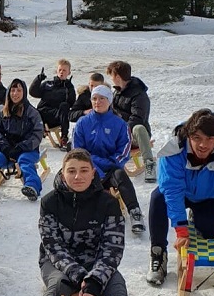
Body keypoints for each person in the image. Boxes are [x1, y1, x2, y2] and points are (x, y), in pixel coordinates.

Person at [20, 149, 158, 296]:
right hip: (57, 263)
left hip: (97, 262)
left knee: (115, 285)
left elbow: (112, 248)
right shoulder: (49, 202)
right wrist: (81, 277)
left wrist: (95, 281)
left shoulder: (108, 203)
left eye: (84, 170)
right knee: (57, 284)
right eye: (71, 171)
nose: (78, 176)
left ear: (93, 173)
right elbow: (53, 246)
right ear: (62, 174)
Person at [146, 109, 214, 286]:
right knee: (157, 198)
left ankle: (197, 217)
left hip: (209, 196)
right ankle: (158, 254)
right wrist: (181, 230)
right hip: (181, 194)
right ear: (188, 136)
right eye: (197, 138)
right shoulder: (173, 150)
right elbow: (172, 189)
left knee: (210, 233)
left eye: (210, 139)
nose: (203, 145)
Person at [72, 85, 146, 234]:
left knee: (121, 176)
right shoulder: (82, 123)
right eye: (94, 98)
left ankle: (135, 211)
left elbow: (124, 151)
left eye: (101, 98)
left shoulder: (119, 124)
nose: (97, 102)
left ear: (109, 101)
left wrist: (108, 164)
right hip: (88, 168)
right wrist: (92, 165)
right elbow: (77, 152)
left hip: (111, 166)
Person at [0, 78, 44, 201]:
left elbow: (38, 133)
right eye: (13, 90)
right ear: (8, 93)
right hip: (6, 148)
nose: (15, 94)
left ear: (24, 93)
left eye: (19, 90)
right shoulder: (2, 112)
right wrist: (3, 146)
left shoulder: (32, 112)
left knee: (24, 161)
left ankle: (32, 186)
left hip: (27, 149)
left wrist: (21, 147)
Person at [107, 61, 156, 183]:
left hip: (136, 136)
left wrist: (120, 132)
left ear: (117, 77)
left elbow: (137, 118)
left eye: (112, 76)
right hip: (119, 133)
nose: (111, 79)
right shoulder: (117, 92)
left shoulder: (139, 95)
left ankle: (149, 165)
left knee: (138, 128)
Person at [29, 59, 76, 148]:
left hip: (56, 116)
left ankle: (64, 137)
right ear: (57, 71)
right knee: (26, 105)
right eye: (60, 70)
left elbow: (71, 103)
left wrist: (70, 89)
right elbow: (33, 93)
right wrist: (38, 79)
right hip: (42, 114)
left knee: (64, 105)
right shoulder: (48, 84)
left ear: (69, 72)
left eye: (64, 70)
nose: (62, 72)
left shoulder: (68, 87)